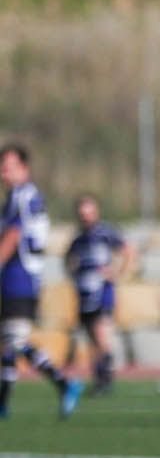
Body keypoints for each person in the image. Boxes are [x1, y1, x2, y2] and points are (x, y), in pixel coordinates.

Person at [0, 143, 83, 419]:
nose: (3, 172)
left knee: (15, 340)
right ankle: (4, 404)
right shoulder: (22, 196)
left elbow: (13, 236)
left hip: (19, 277)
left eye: (9, 166)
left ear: (24, 168)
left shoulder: (21, 196)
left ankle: (64, 382)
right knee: (7, 342)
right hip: (18, 276)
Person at [64, 193, 133, 395]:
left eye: (89, 212)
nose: (86, 217)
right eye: (82, 213)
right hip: (84, 295)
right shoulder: (78, 239)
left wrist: (117, 273)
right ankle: (100, 379)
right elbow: (68, 260)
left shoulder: (106, 233)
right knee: (92, 340)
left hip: (102, 292)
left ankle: (106, 377)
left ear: (96, 212)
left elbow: (129, 251)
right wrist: (73, 274)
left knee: (102, 334)